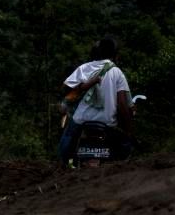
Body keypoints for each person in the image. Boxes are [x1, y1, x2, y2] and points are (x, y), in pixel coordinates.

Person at [57, 37, 134, 166]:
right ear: (115, 54)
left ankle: (63, 164)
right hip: (107, 122)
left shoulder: (84, 68)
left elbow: (65, 89)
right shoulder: (117, 73)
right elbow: (122, 105)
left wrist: (83, 86)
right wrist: (128, 131)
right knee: (123, 146)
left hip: (81, 120)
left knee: (67, 140)